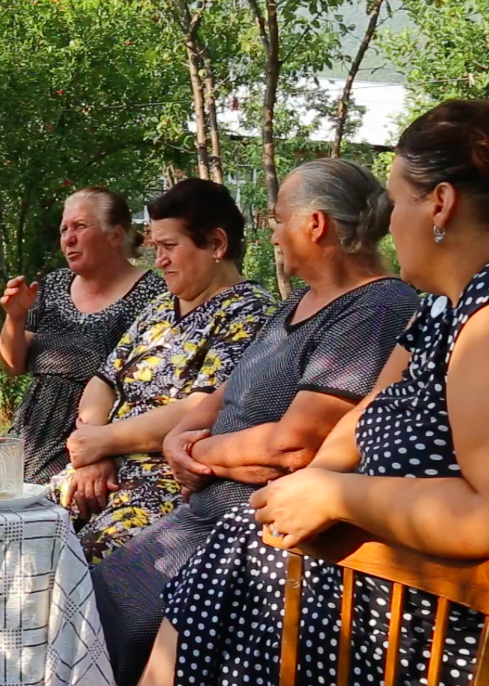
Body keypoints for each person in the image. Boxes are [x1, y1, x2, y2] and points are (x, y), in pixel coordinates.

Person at [159, 96, 489, 686]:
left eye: (397, 203)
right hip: (409, 602)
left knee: (228, 571)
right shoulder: (443, 306)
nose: (390, 223)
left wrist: (335, 495)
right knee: (232, 552)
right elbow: (366, 413)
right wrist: (306, 486)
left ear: (441, 205)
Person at [91, 159, 421, 686]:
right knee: (90, 604)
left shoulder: (377, 308)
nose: (272, 232)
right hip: (199, 516)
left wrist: (196, 453)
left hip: (251, 537)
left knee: (121, 630)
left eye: (278, 219)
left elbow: (293, 446)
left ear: (315, 225)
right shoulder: (300, 300)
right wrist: (177, 438)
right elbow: (229, 388)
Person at [47, 180, 275, 562]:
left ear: (216, 244)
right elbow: (103, 381)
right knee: (12, 530)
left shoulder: (252, 313)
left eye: (169, 247)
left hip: (161, 486)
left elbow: (201, 409)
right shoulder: (160, 308)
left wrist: (102, 443)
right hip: (97, 468)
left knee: (72, 564)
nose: (159, 261)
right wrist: (94, 451)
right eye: (155, 248)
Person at [0, 187, 166, 483]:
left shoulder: (153, 296)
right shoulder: (53, 285)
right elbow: (13, 366)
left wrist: (104, 450)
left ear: (115, 236)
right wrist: (16, 316)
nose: (68, 238)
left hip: (96, 445)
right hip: (30, 433)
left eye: (80, 226)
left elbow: (153, 388)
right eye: (64, 229)